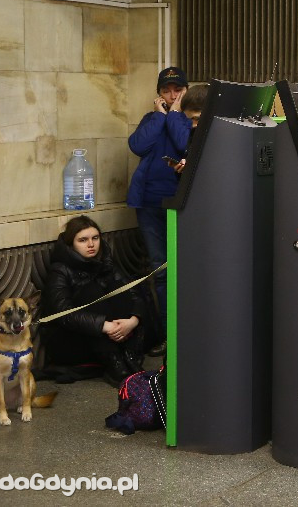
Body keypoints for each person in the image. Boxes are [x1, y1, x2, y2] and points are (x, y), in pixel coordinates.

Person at [41, 216, 148, 387]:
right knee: (91, 291)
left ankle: (128, 355)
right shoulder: (60, 270)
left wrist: (132, 321)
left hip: (114, 333)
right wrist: (103, 325)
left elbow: (134, 294)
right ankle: (114, 360)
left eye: (95, 238)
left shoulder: (105, 261)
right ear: (71, 244)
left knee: (118, 287)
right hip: (73, 341)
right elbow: (62, 313)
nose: (91, 244)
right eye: (83, 240)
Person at [127, 66, 190, 354]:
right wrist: (160, 116)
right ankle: (167, 336)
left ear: (186, 91)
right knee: (160, 270)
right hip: (149, 204)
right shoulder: (152, 118)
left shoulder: (190, 120)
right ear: (159, 94)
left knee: (184, 270)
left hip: (180, 205)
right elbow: (137, 145)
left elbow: (184, 144)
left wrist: (175, 114)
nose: (172, 95)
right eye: (166, 91)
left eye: (178, 90)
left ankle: (185, 334)